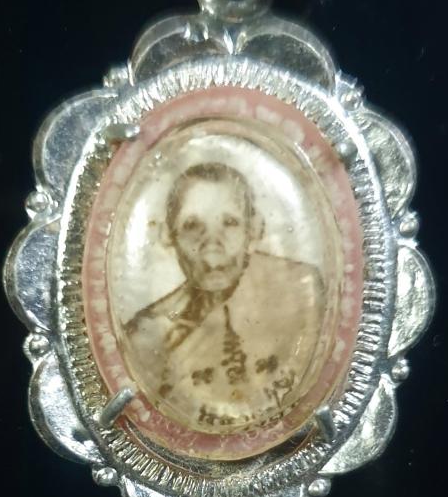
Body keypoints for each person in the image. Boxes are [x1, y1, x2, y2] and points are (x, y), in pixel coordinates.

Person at [121, 162, 323, 434]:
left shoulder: (301, 291)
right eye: (193, 226)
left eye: (229, 223)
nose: (212, 244)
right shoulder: (148, 336)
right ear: (168, 235)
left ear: (254, 230)